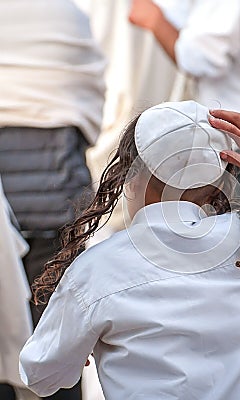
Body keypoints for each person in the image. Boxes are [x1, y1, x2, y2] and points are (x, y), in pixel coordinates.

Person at [19, 101, 240, 399]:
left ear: (130, 178)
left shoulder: (96, 271)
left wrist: (73, 352)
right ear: (217, 185)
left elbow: (39, 375)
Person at [0, 0, 105, 398]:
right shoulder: (69, 15)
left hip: (6, 203)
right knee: (59, 344)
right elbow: (90, 99)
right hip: (57, 204)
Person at [129, 0, 240, 205]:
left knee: (228, 231)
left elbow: (201, 58)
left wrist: (155, 20)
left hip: (234, 144)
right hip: (232, 140)